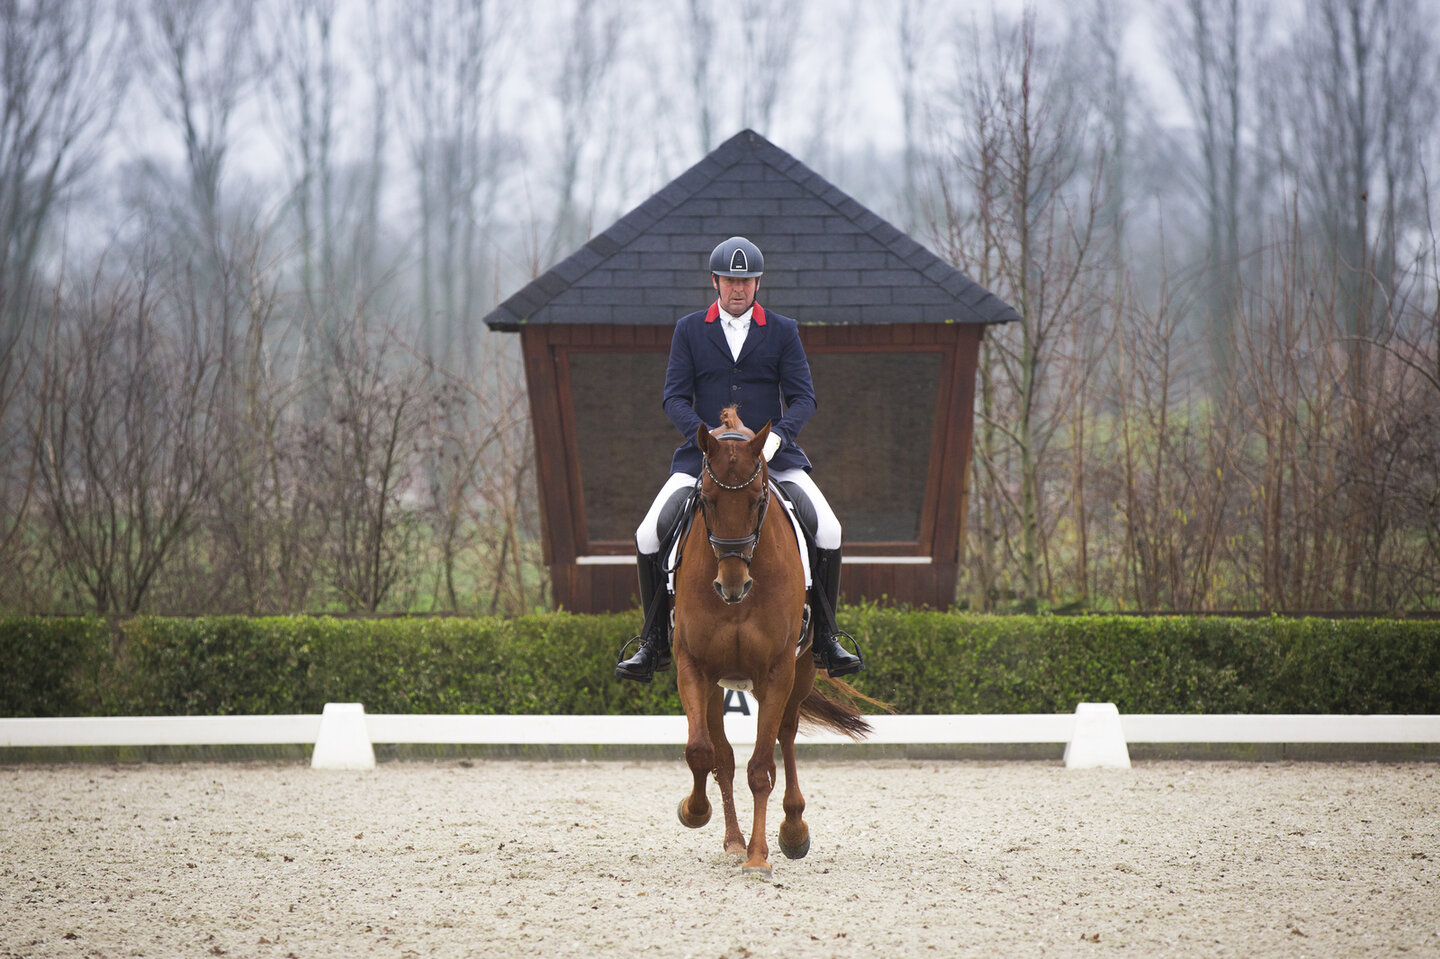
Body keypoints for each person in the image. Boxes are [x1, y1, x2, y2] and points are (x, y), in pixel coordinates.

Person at [615, 236, 864, 683]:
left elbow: (804, 399)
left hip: (771, 458)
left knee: (829, 529)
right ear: (714, 282)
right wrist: (708, 437)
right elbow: (673, 397)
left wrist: (775, 441)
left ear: (758, 284)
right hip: (703, 459)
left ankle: (826, 637)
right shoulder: (689, 329)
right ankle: (652, 640)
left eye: (746, 281)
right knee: (647, 534)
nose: (738, 288)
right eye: (730, 280)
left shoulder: (783, 330)